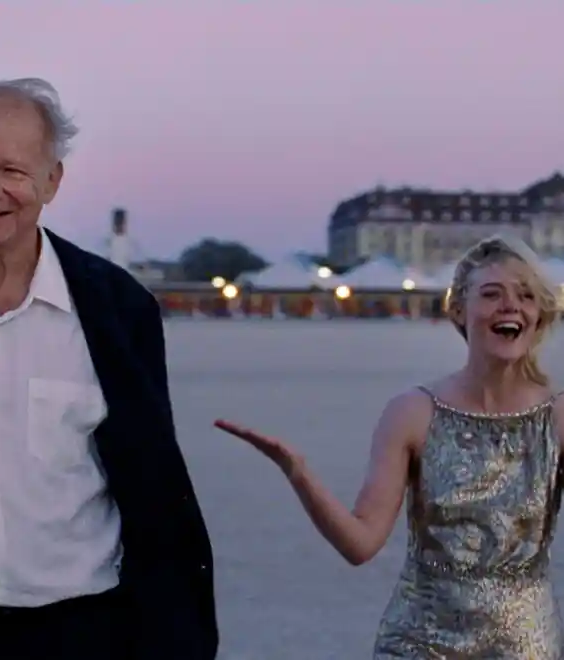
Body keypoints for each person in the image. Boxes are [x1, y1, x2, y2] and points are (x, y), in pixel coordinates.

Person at [0, 78, 217, 659]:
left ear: (52, 181)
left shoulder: (119, 309)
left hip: (86, 635)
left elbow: (154, 487)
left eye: (13, 170)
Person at [215, 234, 564, 658]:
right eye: (492, 294)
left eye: (526, 295)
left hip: (524, 646)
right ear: (458, 308)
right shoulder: (413, 412)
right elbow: (360, 544)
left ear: (539, 314)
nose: (511, 306)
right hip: (419, 643)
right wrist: (298, 472)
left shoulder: (556, 417)